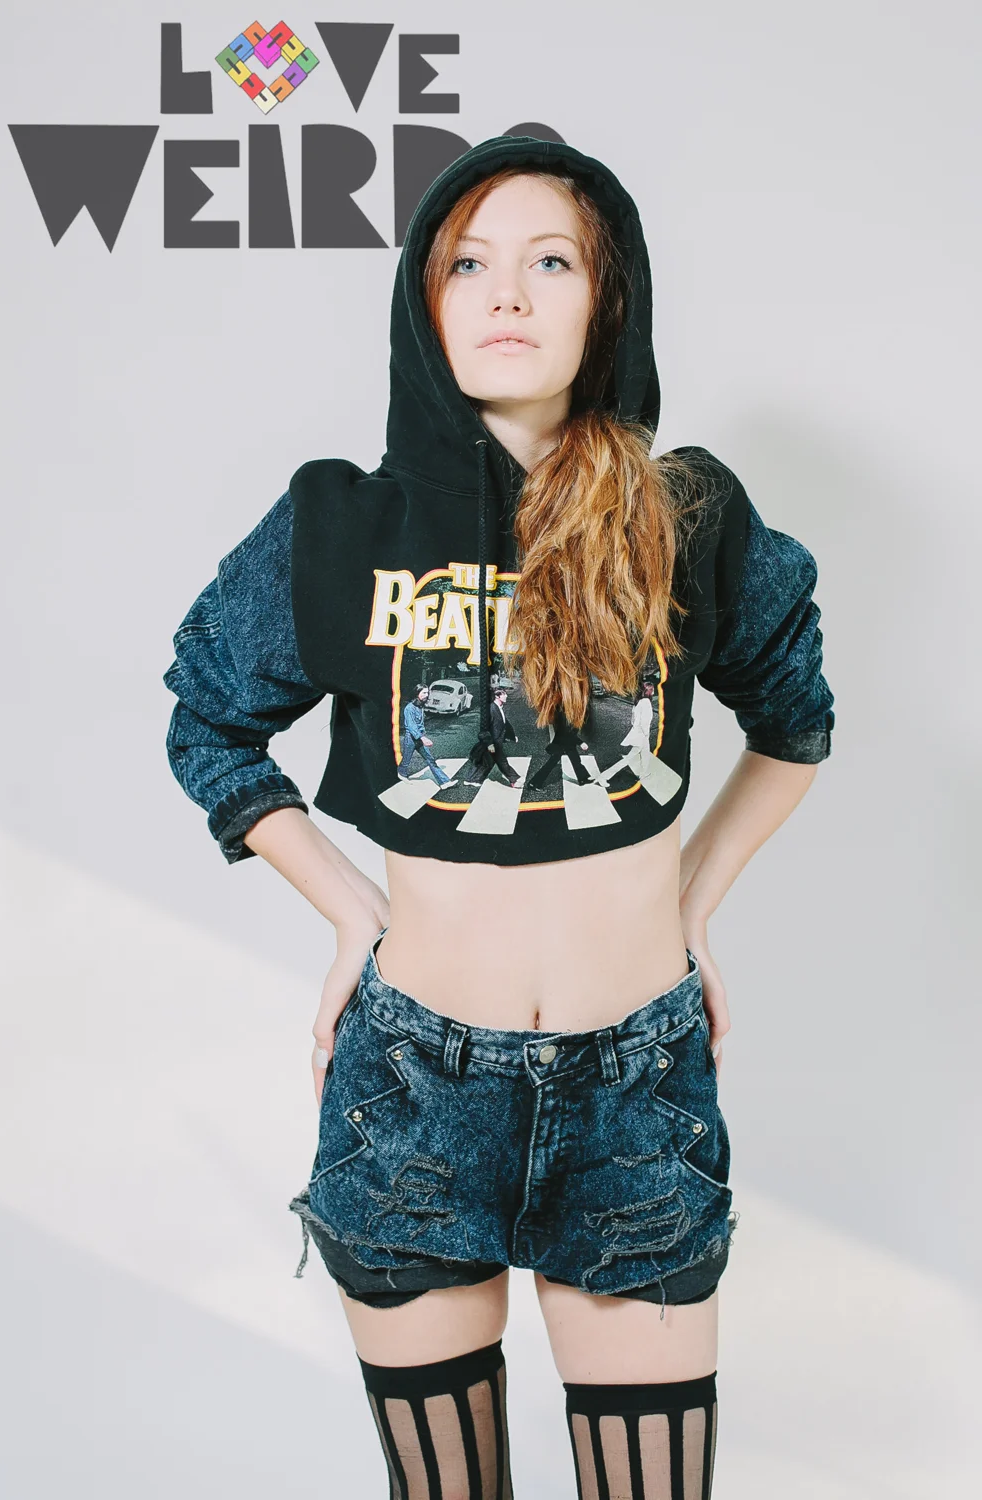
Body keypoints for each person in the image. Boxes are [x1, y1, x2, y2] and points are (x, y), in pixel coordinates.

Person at [163, 135, 834, 1500]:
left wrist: (687, 906)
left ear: (607, 301)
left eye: (550, 262)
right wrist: (352, 914)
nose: (507, 293)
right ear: (425, 298)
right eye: (468, 263)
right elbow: (208, 722)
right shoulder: (343, 526)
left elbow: (795, 723)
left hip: (637, 1091)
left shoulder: (683, 517)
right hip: (413, 1088)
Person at [398, 684, 458, 788]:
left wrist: (422, 736)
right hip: (411, 738)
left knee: (430, 760)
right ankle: (402, 774)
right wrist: (422, 738)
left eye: (427, 692)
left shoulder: (420, 706)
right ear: (417, 693)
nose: (427, 695)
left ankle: (444, 782)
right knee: (406, 760)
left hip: (419, 738)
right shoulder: (409, 708)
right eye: (424, 693)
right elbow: (411, 726)